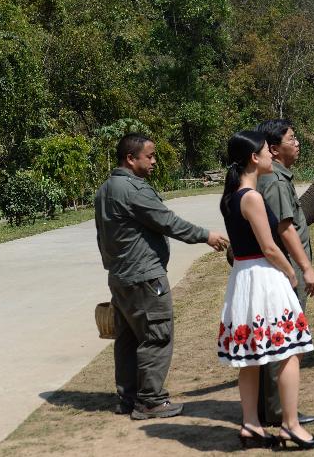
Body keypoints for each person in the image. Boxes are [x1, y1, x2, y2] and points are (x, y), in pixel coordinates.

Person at [95, 132, 229, 419]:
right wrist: (206, 236)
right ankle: (151, 401)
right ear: (131, 159)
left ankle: (128, 398)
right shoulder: (133, 190)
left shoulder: (105, 189)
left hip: (121, 278)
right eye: (150, 155)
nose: (154, 161)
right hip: (145, 277)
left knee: (129, 339)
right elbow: (167, 221)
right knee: (157, 335)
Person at [218, 130, 314, 450]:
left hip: (243, 277)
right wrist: (292, 272)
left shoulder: (231, 197)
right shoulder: (252, 197)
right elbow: (270, 246)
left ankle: (251, 423)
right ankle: (290, 425)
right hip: (264, 276)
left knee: (250, 357)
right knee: (290, 350)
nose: (270, 156)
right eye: (266, 152)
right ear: (254, 158)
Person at [255, 118, 314, 427]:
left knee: (278, 337)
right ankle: (280, 411)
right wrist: (305, 268)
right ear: (273, 148)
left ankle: (270, 407)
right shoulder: (276, 182)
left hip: (283, 267)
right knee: (284, 339)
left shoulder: (274, 177)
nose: (297, 143)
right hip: (287, 270)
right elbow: (285, 228)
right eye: (291, 139)